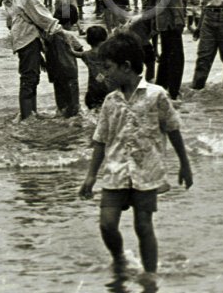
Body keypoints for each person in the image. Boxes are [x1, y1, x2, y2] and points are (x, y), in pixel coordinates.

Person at [79, 31, 193, 274]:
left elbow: (173, 129)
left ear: (126, 67)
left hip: (146, 171)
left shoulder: (157, 95)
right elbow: (100, 140)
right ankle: (120, 257)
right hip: (115, 172)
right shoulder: (111, 101)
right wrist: (90, 176)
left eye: (109, 68)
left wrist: (185, 164)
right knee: (107, 225)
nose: (105, 73)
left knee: (143, 226)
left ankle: (150, 276)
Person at [9, 0, 82, 120]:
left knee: (31, 77)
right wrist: (61, 31)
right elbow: (38, 12)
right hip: (26, 35)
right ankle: (27, 117)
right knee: (29, 78)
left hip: (29, 34)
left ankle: (30, 114)